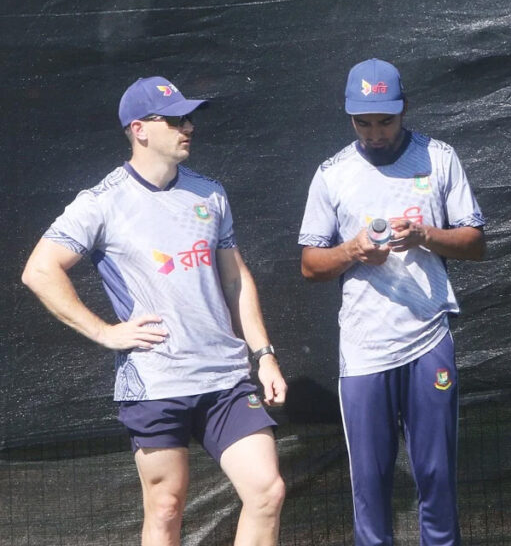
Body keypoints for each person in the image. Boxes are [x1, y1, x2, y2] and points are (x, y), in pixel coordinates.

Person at [21, 76, 288, 546]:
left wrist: (263, 354)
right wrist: (105, 332)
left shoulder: (210, 194)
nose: (189, 127)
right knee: (165, 508)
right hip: (156, 382)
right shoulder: (101, 202)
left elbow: (236, 279)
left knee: (267, 492)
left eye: (189, 118)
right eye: (175, 119)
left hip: (225, 379)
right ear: (139, 129)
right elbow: (40, 270)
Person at [298, 58, 485, 546]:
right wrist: (353, 251)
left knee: (437, 475)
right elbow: (310, 265)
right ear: (349, 116)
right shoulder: (332, 173)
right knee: (371, 482)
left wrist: (424, 235)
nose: (376, 133)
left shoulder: (439, 157)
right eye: (363, 122)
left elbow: (475, 242)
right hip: (365, 348)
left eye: (386, 120)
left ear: (405, 109)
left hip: (428, 338)